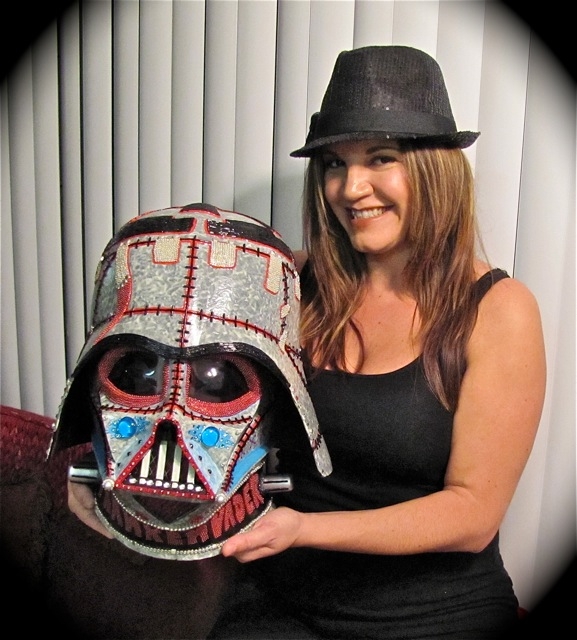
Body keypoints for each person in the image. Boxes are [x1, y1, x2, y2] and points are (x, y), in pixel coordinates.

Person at [69, 45, 546, 639]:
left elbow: (472, 513)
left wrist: (302, 529)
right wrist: (100, 469)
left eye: (381, 158)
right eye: (334, 164)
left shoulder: (497, 309)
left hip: (433, 617)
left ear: (435, 169)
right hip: (283, 604)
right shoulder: (287, 284)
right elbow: (165, 366)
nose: (351, 187)